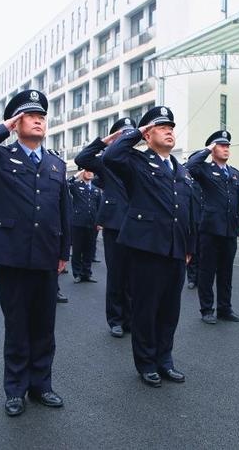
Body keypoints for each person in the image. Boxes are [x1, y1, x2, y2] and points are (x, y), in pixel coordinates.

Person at [0, 89, 71, 416]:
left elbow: (63, 210)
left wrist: (64, 251)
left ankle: (41, 385)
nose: (38, 120)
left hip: (48, 254)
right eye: (29, 115)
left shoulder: (55, 164)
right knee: (18, 325)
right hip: (12, 254)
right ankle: (16, 389)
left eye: (41, 116)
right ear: (17, 121)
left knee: (44, 327)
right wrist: (3, 128)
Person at [103, 106, 194, 388]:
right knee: (146, 308)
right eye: (161, 126)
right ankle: (146, 363)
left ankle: (164, 360)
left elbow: (188, 211)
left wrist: (190, 245)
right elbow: (110, 156)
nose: (169, 130)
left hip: (176, 249)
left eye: (171, 127)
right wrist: (135, 133)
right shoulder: (137, 162)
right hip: (147, 247)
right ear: (148, 132)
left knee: (170, 310)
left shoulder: (180, 169)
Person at [75, 117, 134, 338]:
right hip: (115, 223)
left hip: (138, 224)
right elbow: (83, 158)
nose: (126, 136)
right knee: (117, 273)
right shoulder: (105, 160)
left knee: (136, 275)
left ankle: (131, 318)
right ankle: (116, 319)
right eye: (122, 133)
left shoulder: (139, 159)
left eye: (130, 133)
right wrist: (105, 141)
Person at [185, 131, 239, 325]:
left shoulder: (234, 173)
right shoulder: (204, 169)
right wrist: (207, 149)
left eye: (228, 146)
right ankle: (207, 309)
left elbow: (235, 202)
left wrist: (237, 225)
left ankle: (225, 309)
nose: (226, 148)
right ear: (212, 149)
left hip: (229, 230)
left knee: (226, 273)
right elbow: (190, 165)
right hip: (210, 229)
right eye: (221, 145)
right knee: (207, 271)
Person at [68, 169, 101, 283]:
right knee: (77, 249)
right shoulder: (76, 186)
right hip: (78, 222)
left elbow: (99, 207)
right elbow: (66, 184)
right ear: (83, 173)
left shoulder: (96, 190)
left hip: (92, 224)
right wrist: (76, 175)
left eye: (91, 171)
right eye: (87, 171)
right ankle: (77, 273)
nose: (89, 173)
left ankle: (86, 273)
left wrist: (100, 222)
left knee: (89, 249)